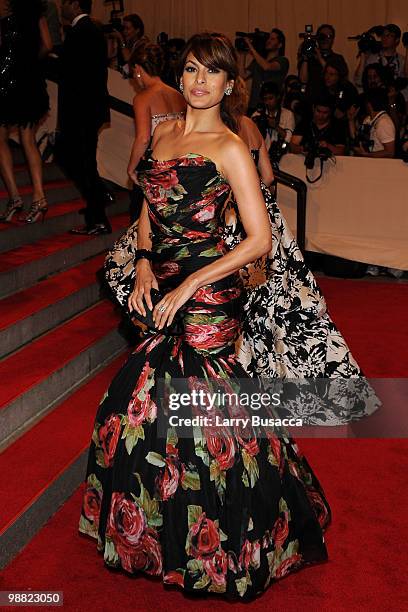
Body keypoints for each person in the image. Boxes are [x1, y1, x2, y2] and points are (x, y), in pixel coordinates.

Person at [80, 32, 332, 600]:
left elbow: (258, 239)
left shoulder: (230, 148)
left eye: (211, 73)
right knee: (136, 406)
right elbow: (149, 203)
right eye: (191, 69)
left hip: (210, 291)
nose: (198, 81)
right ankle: (161, 532)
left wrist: (193, 280)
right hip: (162, 285)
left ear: (229, 85)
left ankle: (222, 539)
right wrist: (144, 262)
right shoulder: (165, 132)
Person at [57, 0, 111, 235]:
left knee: (74, 159)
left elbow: (73, 76)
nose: (61, 7)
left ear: (75, 5)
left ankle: (98, 211)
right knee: (83, 160)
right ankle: (97, 201)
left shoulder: (81, 32)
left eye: (64, 2)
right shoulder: (92, 29)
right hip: (89, 109)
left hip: (80, 111)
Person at [0, 0, 52, 223]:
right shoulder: (37, 15)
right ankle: (39, 197)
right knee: (28, 138)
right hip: (31, 82)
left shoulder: (4, 16)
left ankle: (14, 196)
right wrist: (30, 62)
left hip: (6, 82)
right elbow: (48, 46)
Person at [126, 41, 186, 221]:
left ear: (137, 68)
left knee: (141, 220)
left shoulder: (142, 98)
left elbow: (144, 138)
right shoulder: (178, 95)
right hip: (178, 165)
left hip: (155, 167)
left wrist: (131, 167)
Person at [239, 28, 289, 112]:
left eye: (272, 39)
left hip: (271, 107)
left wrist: (251, 48)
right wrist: (243, 54)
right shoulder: (258, 61)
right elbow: (242, 75)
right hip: (253, 105)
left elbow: (267, 67)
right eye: (268, 38)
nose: (268, 41)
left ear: (280, 45)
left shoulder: (283, 60)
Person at [354, 24, 408, 98]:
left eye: (389, 36)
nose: (384, 38)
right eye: (383, 35)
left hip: (394, 101)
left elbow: (405, 84)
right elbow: (358, 81)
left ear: (397, 40)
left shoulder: (402, 61)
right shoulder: (371, 58)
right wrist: (363, 55)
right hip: (374, 100)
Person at [298, 24, 348, 100]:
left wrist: (320, 58)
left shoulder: (338, 58)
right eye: (322, 36)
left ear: (333, 39)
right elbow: (303, 80)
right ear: (317, 38)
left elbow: (340, 78)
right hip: (312, 100)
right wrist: (305, 58)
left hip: (331, 101)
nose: (326, 40)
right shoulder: (310, 58)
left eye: (329, 36)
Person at [251, 81, 295, 154]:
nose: (267, 102)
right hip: (262, 154)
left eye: (270, 98)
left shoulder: (288, 114)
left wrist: (275, 126)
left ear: (278, 97)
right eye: (265, 99)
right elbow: (251, 140)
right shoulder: (256, 115)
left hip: (281, 155)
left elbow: (288, 139)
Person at [352, 88, 395, 159]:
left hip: (381, 166)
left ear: (369, 104)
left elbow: (390, 152)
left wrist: (366, 154)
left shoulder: (384, 122)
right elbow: (358, 139)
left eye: (365, 102)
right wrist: (351, 121)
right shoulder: (368, 119)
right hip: (369, 163)